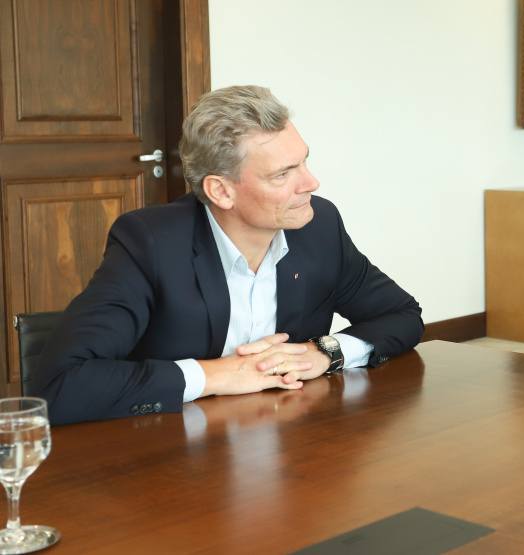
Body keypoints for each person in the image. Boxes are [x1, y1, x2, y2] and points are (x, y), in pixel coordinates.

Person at [34, 85, 424, 425]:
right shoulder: (151, 242)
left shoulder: (317, 225)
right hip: (172, 460)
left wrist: (323, 353)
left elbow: (402, 315)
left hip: (294, 449)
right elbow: (60, 386)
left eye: (303, 161)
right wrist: (217, 376)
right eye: (282, 174)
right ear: (221, 191)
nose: (311, 182)